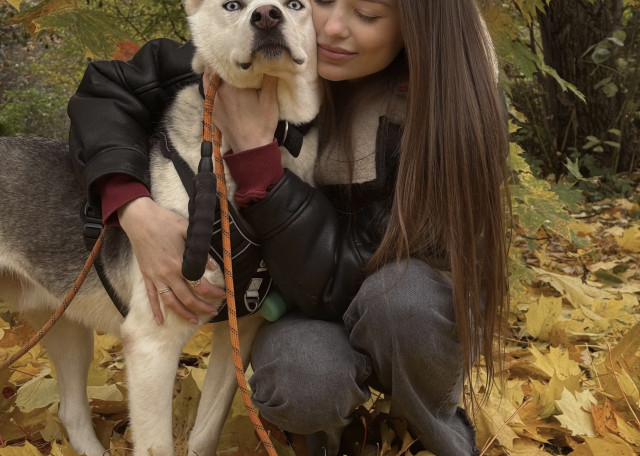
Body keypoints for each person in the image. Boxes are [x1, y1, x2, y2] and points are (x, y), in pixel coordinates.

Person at [67, 0, 510, 454]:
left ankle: (432, 431)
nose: (331, 28)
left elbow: (346, 280)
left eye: (366, 14)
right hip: (304, 301)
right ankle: (324, 435)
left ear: (413, 28)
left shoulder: (453, 113)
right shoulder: (272, 42)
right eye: (321, 0)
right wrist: (132, 206)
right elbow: (107, 89)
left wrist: (259, 160)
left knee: (404, 304)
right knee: (300, 374)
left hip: (394, 301)